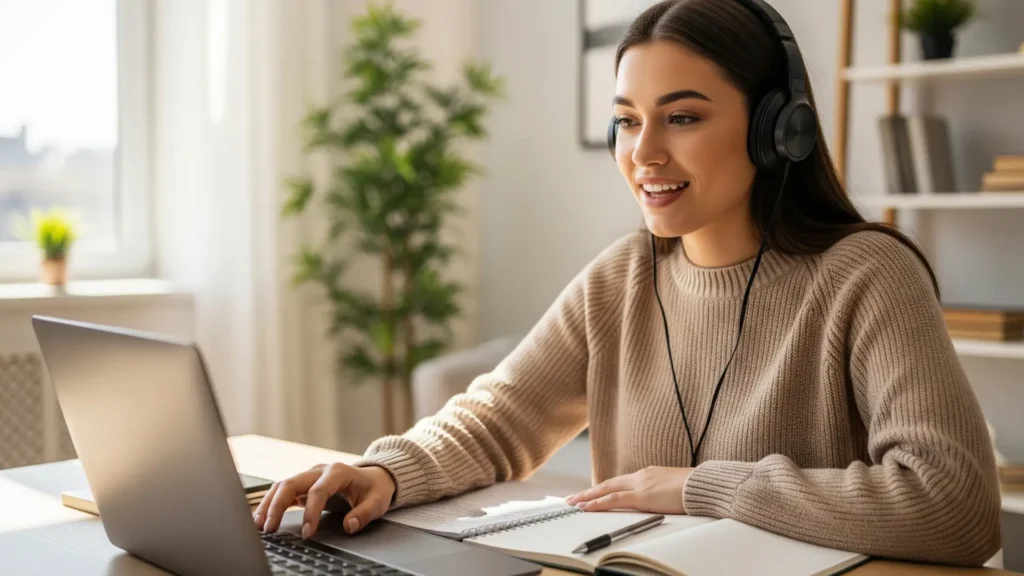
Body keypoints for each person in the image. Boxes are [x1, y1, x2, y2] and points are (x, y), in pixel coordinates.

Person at [254, 0, 1003, 567]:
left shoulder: (866, 275)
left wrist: (699, 486)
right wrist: (385, 470)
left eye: (681, 117)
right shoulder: (622, 278)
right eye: (626, 120)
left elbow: (954, 504)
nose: (644, 152)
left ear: (779, 130)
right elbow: (497, 420)